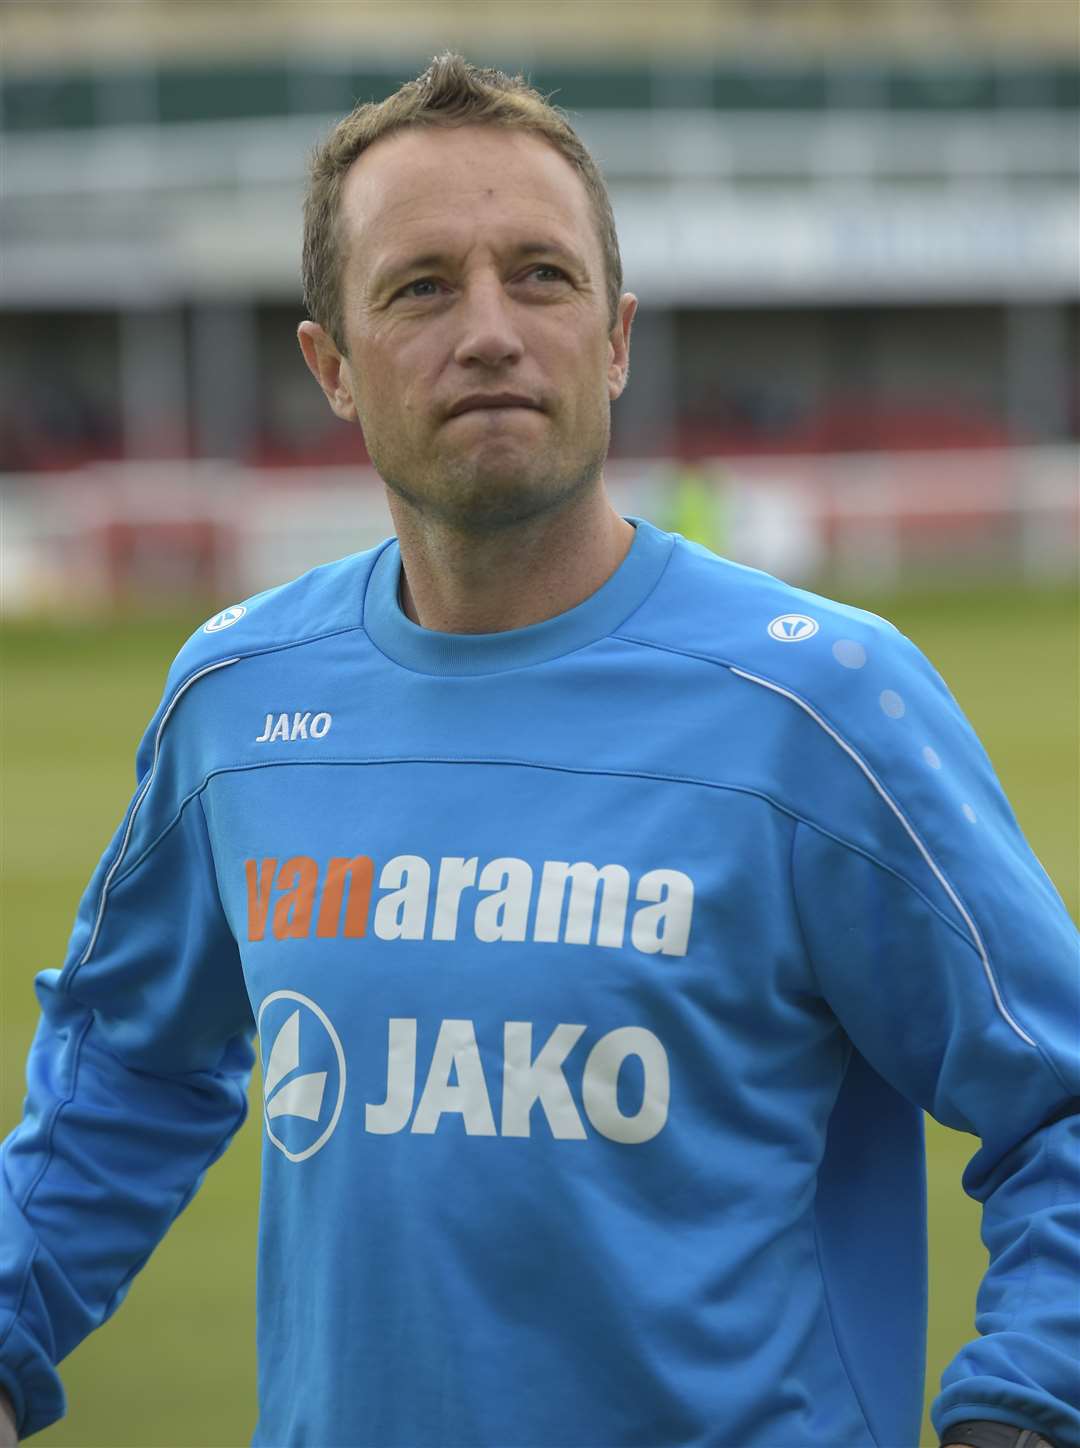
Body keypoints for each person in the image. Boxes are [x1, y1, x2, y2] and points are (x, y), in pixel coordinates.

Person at [0, 52, 1076, 1448]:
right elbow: (127, 1061)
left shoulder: (821, 706)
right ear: (330, 362)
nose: (492, 331)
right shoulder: (237, 697)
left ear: (617, 338)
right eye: (422, 286)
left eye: (543, 276)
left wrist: (1024, 1410)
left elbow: (1059, 1104)